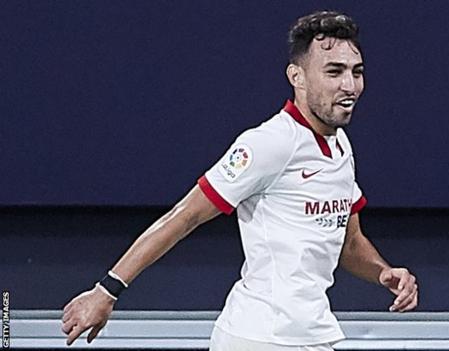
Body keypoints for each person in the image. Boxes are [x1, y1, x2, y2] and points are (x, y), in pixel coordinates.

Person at [61, 10, 418, 350]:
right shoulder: (269, 143)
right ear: (297, 77)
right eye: (334, 72)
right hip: (262, 337)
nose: (350, 85)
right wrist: (107, 290)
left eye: (357, 72)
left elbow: (349, 243)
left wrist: (383, 273)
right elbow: (186, 216)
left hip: (305, 332)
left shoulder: (340, 145)